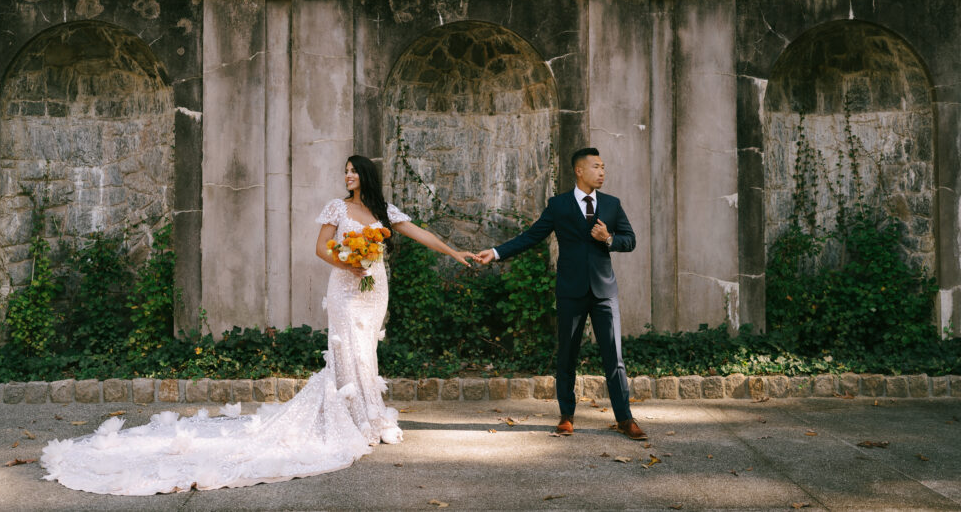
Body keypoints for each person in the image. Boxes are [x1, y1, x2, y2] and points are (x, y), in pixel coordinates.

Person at [40, 155, 475, 496]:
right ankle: (361, 418)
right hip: (346, 285)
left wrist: (455, 254)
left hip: (374, 288)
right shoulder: (336, 208)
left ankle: (373, 416)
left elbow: (420, 233)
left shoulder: (383, 209)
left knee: (369, 349)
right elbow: (320, 248)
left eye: (352, 173)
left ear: (366, 176)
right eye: (344, 172)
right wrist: (350, 260)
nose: (347, 178)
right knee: (349, 348)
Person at [476, 148, 644, 440]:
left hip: (605, 292)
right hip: (570, 291)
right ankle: (566, 415)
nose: (602, 172)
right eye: (596, 167)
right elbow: (531, 236)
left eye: (604, 167)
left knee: (614, 358)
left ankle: (625, 418)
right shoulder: (559, 205)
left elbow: (630, 241)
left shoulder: (612, 204)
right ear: (579, 171)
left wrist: (610, 239)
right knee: (567, 355)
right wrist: (495, 252)